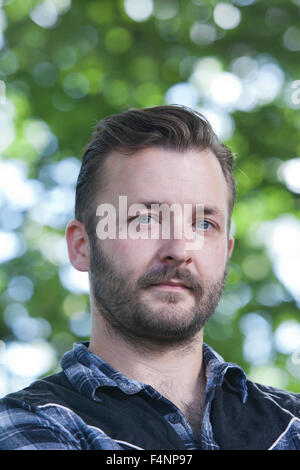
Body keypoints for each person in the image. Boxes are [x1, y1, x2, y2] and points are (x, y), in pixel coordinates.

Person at [0, 105, 299, 451]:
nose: (179, 249)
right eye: (145, 219)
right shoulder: (31, 422)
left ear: (227, 250)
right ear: (83, 247)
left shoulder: (292, 422)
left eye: (204, 224)